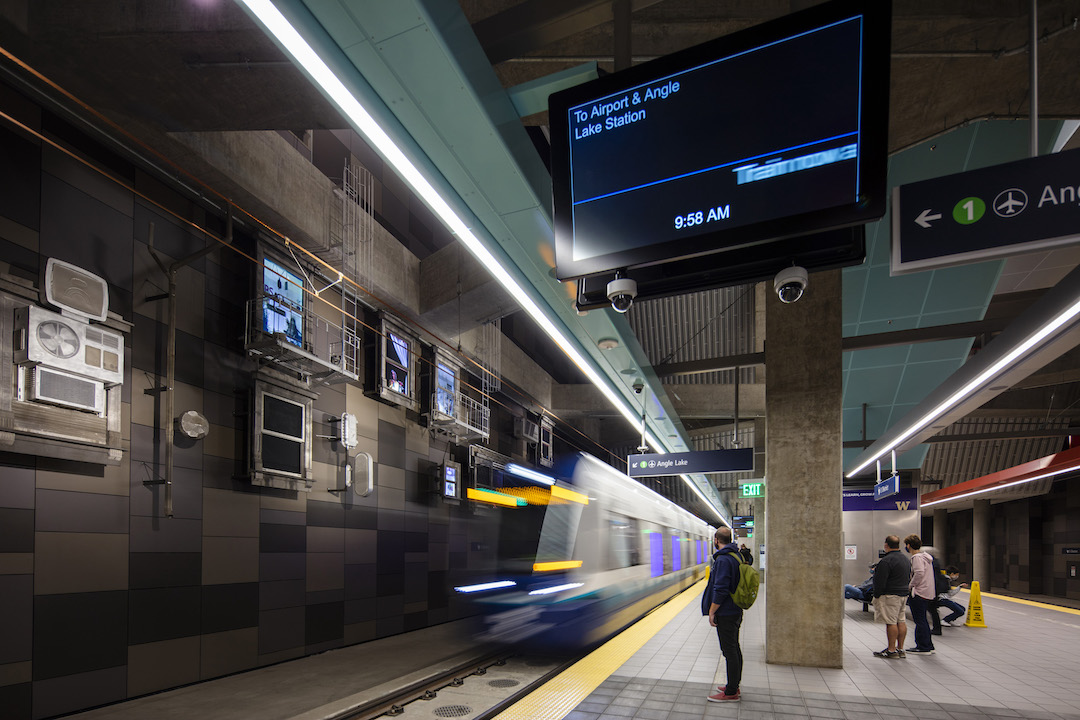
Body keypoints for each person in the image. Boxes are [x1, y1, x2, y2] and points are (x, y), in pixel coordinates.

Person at [702, 526, 744, 702]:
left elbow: (721, 589)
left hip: (726, 612)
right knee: (734, 648)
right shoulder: (737, 556)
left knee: (729, 650)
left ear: (716, 540)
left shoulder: (723, 560)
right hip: (735, 610)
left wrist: (712, 612)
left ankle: (731, 692)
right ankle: (733, 686)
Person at [871, 535, 910, 659]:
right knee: (901, 621)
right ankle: (900, 648)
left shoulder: (886, 561)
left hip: (890, 595)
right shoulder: (905, 559)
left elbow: (880, 581)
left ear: (886, 545)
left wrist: (877, 595)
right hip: (903, 594)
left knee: (891, 622)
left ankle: (891, 650)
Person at [905, 534, 936, 655]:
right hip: (927, 592)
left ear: (908, 545)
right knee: (923, 619)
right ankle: (928, 645)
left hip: (918, 592)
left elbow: (918, 573)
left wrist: (910, 586)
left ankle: (922, 646)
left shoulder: (916, 558)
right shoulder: (926, 557)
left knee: (919, 620)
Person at [931, 565, 968, 630]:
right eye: (956, 575)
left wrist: (959, 587)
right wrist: (959, 587)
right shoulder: (945, 580)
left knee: (962, 609)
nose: (957, 576)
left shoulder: (945, 579)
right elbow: (950, 593)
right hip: (942, 599)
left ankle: (949, 620)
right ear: (952, 574)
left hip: (943, 598)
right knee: (960, 611)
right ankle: (945, 620)